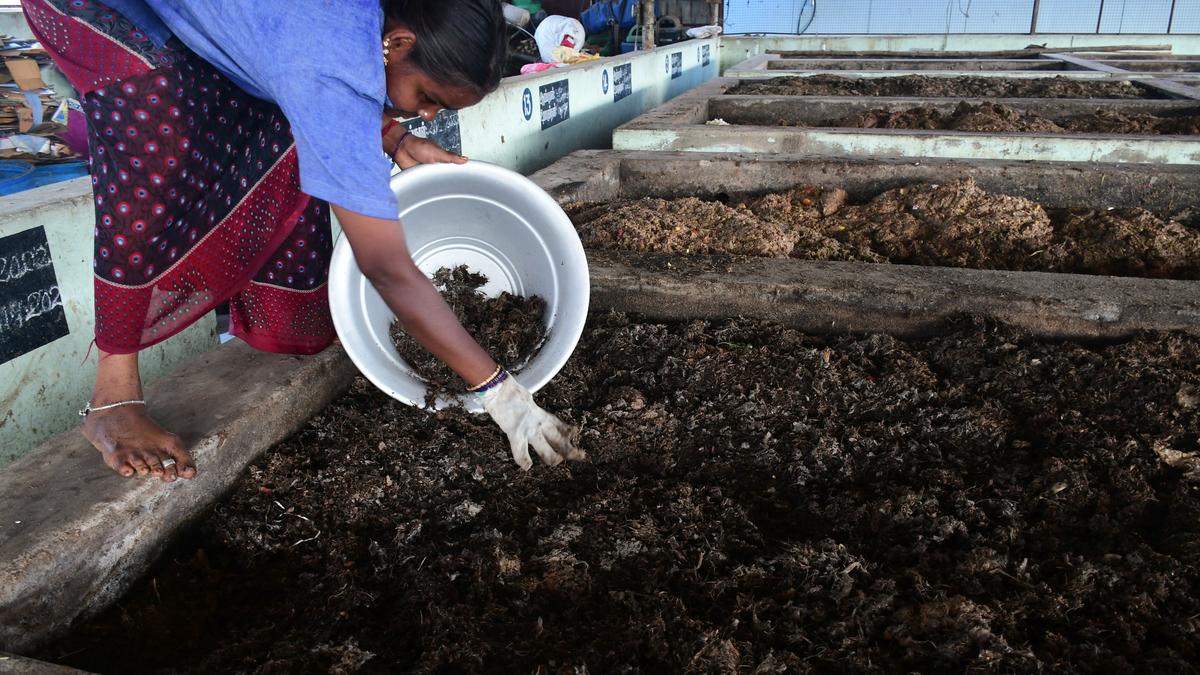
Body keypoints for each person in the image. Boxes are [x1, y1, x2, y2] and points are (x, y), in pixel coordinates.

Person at [21, 0, 584, 482]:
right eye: (428, 96)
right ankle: (112, 399)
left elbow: (290, 57)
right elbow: (387, 267)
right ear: (399, 41)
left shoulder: (362, 36)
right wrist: (498, 391)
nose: (427, 116)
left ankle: (277, 319)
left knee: (282, 123)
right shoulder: (328, 64)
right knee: (159, 130)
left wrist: (392, 134)